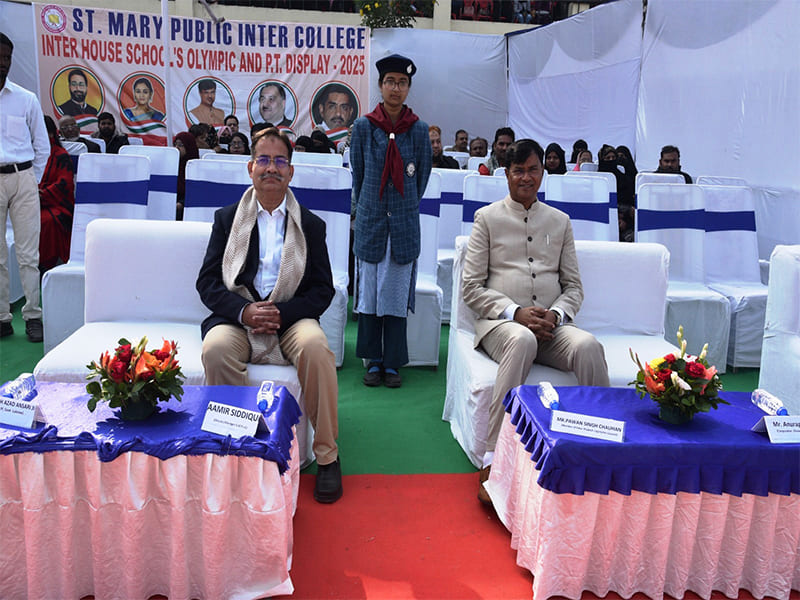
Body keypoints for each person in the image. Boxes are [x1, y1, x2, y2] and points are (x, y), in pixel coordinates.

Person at [196, 127, 342, 504]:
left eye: (280, 161)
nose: (271, 168)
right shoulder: (227, 219)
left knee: (316, 348)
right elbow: (207, 282)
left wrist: (282, 313)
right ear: (250, 168)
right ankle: (237, 444)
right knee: (215, 349)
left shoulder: (310, 225)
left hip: (290, 319)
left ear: (291, 171)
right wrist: (244, 311)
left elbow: (322, 289)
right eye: (263, 159)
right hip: (238, 319)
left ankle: (327, 456)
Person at [462, 138, 610, 505]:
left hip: (551, 325)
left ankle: (604, 447)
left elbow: (573, 287)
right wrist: (515, 312)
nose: (526, 177)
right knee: (522, 339)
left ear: (543, 173)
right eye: (518, 171)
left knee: (589, 346)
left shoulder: (559, 221)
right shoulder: (487, 218)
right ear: (506, 174)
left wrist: (556, 314)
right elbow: (471, 288)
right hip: (503, 326)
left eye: (533, 170)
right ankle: (493, 458)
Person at [350, 54, 432, 388]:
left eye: (401, 83)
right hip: (371, 223)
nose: (395, 88)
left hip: (403, 225)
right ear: (381, 86)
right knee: (370, 295)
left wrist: (402, 205)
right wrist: (370, 205)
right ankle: (373, 360)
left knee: (396, 297)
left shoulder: (419, 130)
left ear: (408, 87)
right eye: (389, 82)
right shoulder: (363, 127)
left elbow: (421, 179)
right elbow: (358, 176)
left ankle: (394, 362)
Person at [0, 33, 48, 342]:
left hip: (23, 177)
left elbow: (42, 146)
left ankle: (32, 315)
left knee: (29, 254)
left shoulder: (25, 98)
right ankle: (2, 317)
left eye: (7, 58)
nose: (3, 63)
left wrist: (32, 180)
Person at [38, 116, 74, 273]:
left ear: (51, 133)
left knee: (46, 222)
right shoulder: (29, 154)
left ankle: (45, 265)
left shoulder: (61, 155)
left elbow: (64, 183)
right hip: (29, 200)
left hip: (56, 204)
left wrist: (42, 195)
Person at [173, 131, 199, 220]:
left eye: (180, 145)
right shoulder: (171, 166)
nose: (176, 148)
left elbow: (195, 192)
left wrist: (181, 203)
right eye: (175, 144)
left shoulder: (195, 168)